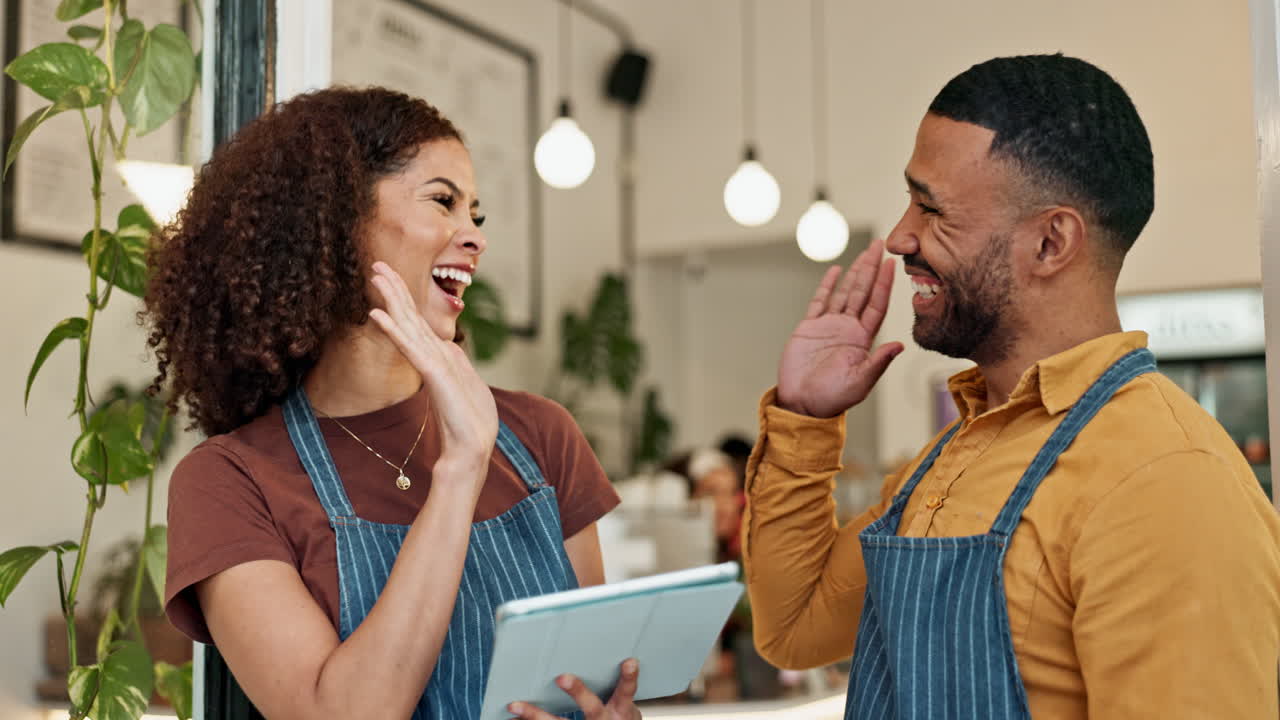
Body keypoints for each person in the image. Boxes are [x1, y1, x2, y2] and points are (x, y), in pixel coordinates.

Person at [741, 54, 1280, 719]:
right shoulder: (954, 456)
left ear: (1052, 243)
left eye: (931, 209)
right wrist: (804, 418)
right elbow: (794, 627)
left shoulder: (1168, 480)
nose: (900, 236)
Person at [146, 87, 642, 720]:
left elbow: (586, 684)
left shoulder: (540, 433)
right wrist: (461, 468)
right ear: (335, 219)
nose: (474, 238)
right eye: (443, 201)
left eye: (476, 215)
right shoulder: (230, 482)